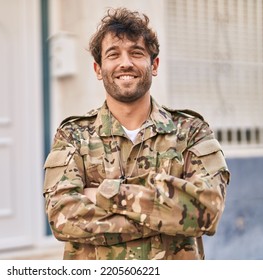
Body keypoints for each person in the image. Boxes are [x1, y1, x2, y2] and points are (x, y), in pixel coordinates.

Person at [43, 7, 230, 260]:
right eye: (113, 54)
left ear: (154, 64)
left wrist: (104, 194)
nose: (125, 63)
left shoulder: (190, 131)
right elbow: (62, 218)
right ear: (98, 69)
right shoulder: (73, 135)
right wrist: (167, 215)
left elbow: (207, 211)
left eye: (136, 52)